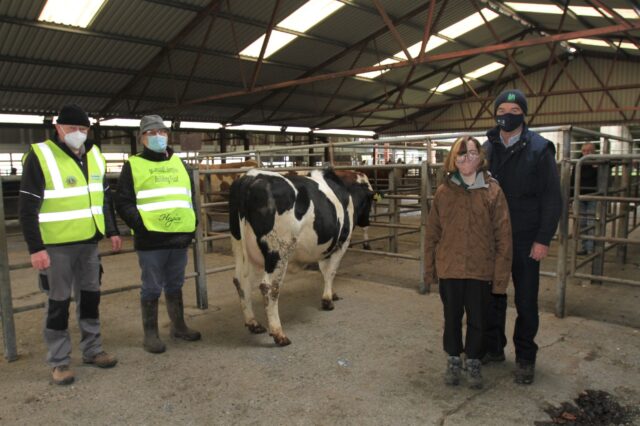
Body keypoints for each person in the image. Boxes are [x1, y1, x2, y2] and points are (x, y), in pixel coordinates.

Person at [18, 104, 122, 386]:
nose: (78, 134)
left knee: (90, 299)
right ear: (58, 128)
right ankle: (59, 361)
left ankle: (93, 350)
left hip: (89, 242)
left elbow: (105, 198)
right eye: (72, 128)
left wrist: (111, 230)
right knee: (58, 303)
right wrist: (35, 247)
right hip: (55, 246)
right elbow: (27, 207)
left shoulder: (95, 155)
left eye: (83, 129)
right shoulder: (41, 155)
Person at [483, 89, 562, 385]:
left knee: (526, 301)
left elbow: (552, 198)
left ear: (523, 114)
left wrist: (543, 239)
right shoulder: (487, 147)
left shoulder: (540, 149)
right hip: (492, 238)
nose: (506, 114)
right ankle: (493, 348)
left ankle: (526, 357)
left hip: (527, 238)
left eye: (513, 110)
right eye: (501, 108)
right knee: (493, 297)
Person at [424, 136, 512, 389]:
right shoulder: (444, 192)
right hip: (450, 266)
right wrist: (429, 271)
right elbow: (432, 233)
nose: (466, 158)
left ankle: (473, 359)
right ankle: (453, 357)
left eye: (472, 153)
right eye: (461, 154)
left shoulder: (493, 190)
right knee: (451, 316)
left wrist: (500, 277)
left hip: (480, 269)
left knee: (478, 319)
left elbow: (503, 236)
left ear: (481, 157)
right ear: (453, 159)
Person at [116, 115, 200, 354]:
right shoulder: (133, 165)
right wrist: (141, 224)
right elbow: (122, 201)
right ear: (142, 138)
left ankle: (179, 326)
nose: (158, 137)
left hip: (179, 237)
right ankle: (150, 334)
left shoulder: (179, 164)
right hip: (151, 239)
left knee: (175, 283)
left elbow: (189, 197)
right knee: (151, 286)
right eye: (152, 133)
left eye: (161, 132)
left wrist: (191, 225)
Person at [571, 143, 598, 255]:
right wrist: (571, 196)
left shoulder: (598, 161)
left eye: (589, 151)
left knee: (590, 222)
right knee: (581, 223)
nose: (586, 153)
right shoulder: (578, 163)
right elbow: (573, 179)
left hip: (593, 196)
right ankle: (585, 247)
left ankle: (591, 248)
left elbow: (614, 162)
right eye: (584, 151)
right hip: (579, 196)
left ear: (594, 152)